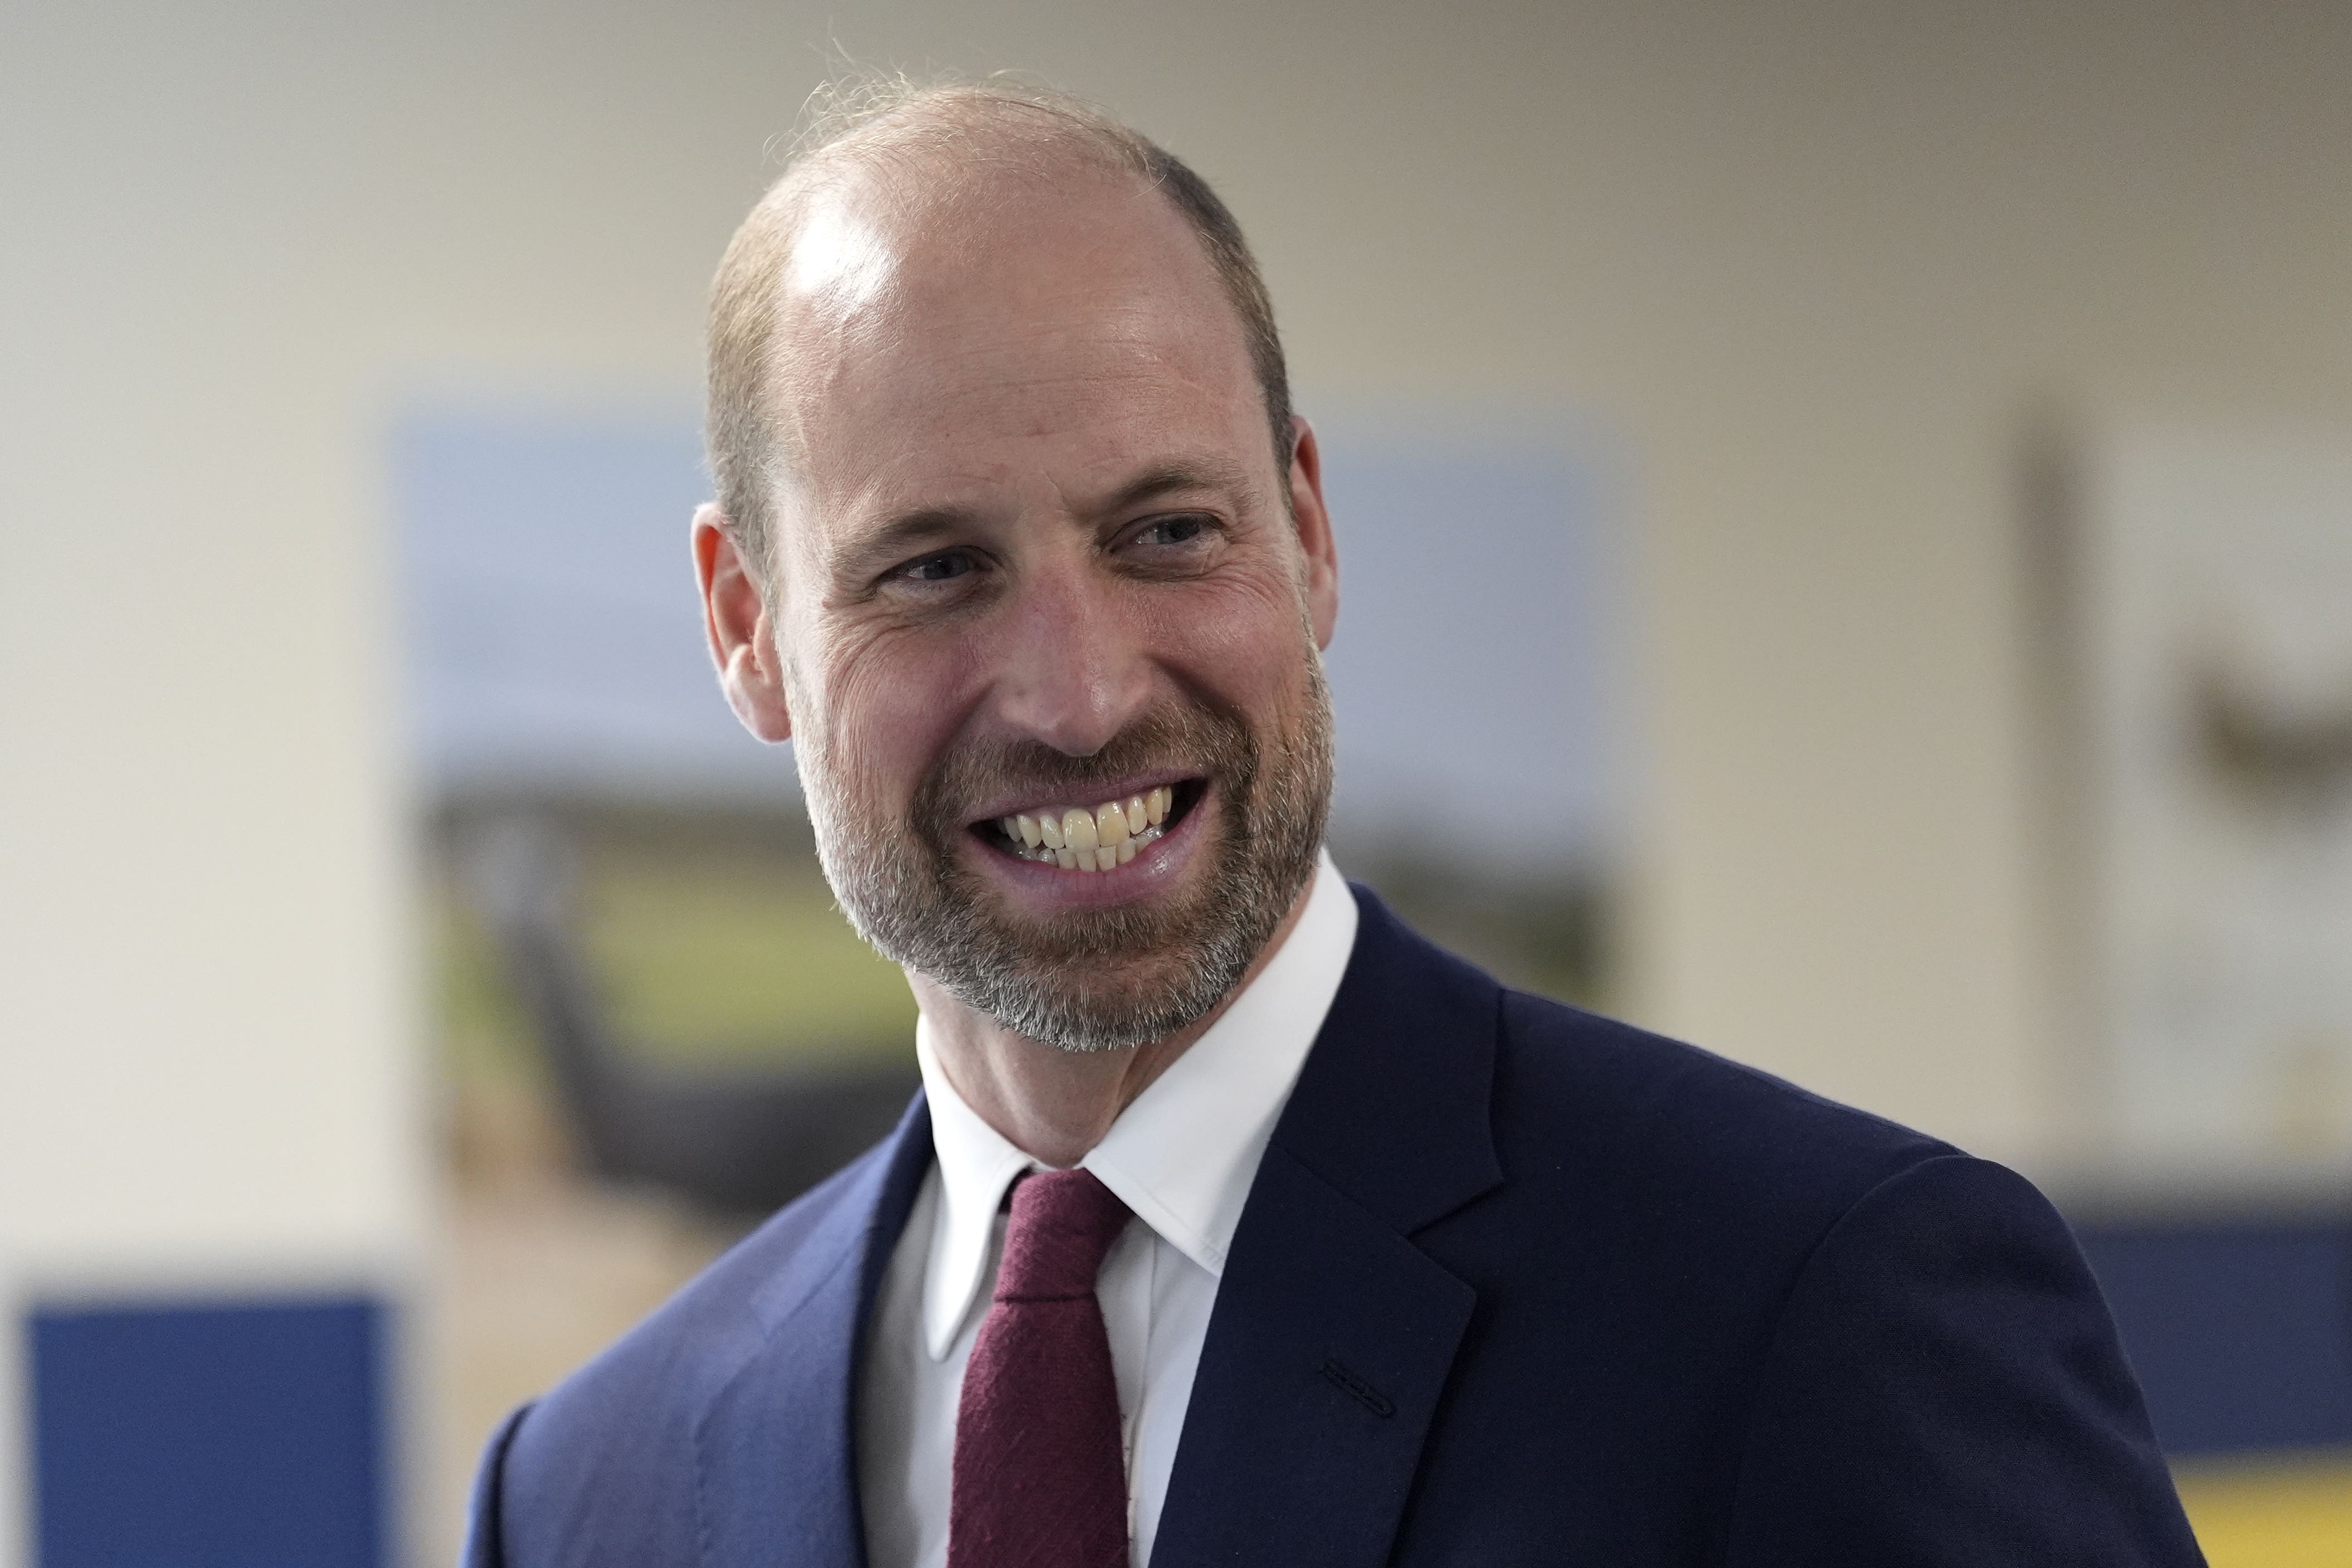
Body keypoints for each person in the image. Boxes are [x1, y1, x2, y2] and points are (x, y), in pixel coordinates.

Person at [463, 81, 2202, 1567]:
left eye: (1164, 533)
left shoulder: (1822, 1311)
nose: (1077, 699)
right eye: (934, 570)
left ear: (1306, 528)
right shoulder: (586, 1497)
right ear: (747, 627)